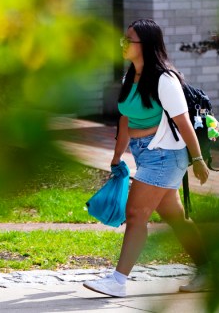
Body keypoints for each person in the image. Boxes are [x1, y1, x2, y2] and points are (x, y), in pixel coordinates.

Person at [83, 18, 211, 298]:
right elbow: (125, 120)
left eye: (129, 40)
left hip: (165, 155)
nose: (123, 44)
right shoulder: (129, 77)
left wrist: (198, 159)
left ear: (146, 45)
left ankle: (118, 281)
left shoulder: (165, 80)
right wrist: (117, 156)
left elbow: (184, 123)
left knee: (135, 214)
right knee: (174, 216)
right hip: (145, 153)